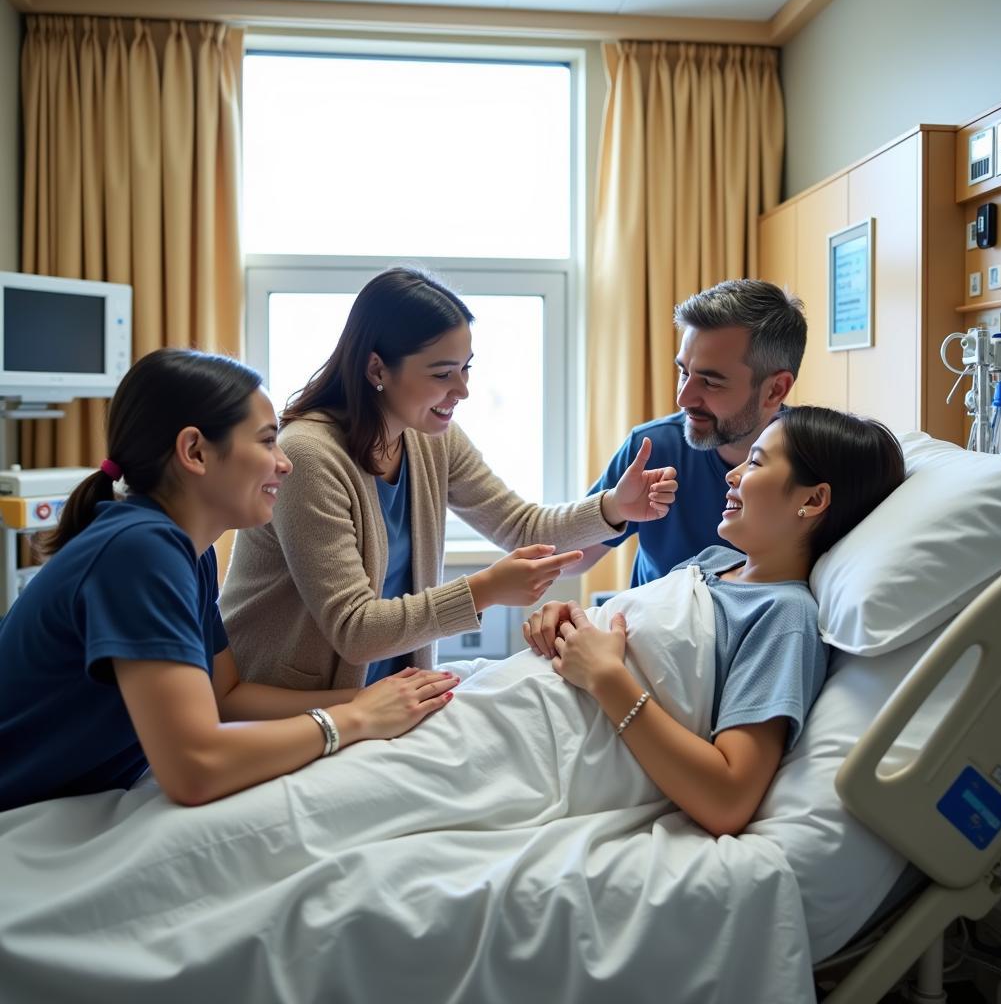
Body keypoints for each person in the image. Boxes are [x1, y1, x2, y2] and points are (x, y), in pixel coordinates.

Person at [0, 348, 461, 813]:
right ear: (195, 452)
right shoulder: (138, 551)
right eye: (266, 442)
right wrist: (354, 719)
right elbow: (194, 769)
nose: (286, 463)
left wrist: (371, 698)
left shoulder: (184, 552)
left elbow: (226, 697)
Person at [221, 267, 678, 692]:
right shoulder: (309, 456)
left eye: (466, 369)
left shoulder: (430, 439)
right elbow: (355, 630)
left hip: (383, 696)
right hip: (287, 698)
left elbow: (523, 526)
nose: (462, 390)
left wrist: (616, 507)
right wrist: (485, 589)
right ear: (377, 369)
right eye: (443, 374)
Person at [519, 405, 906, 836]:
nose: (732, 474)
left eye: (756, 462)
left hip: (541, 749)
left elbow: (728, 798)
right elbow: (633, 635)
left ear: (812, 500)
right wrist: (572, 623)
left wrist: (607, 677)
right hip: (523, 697)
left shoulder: (783, 616)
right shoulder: (713, 562)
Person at [576, 278, 808, 587]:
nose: (683, 399)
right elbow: (567, 561)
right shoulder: (652, 448)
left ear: (775, 389)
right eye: (684, 372)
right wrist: (615, 507)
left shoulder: (817, 461)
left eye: (711, 382)